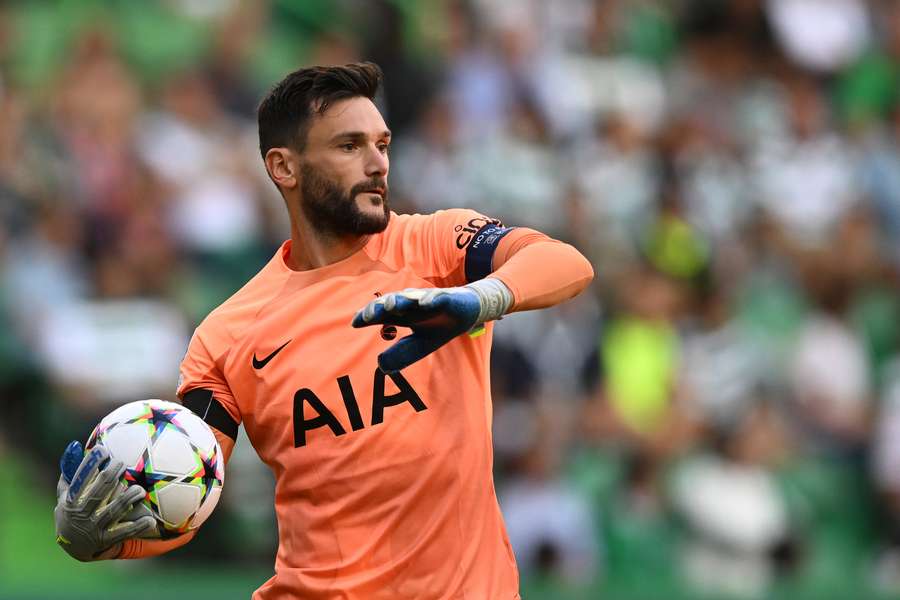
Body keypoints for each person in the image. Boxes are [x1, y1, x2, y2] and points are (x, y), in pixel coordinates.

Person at [53, 62, 594, 599]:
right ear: (283, 167)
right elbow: (184, 498)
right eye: (349, 146)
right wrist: (97, 538)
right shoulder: (228, 335)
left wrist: (479, 298)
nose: (377, 163)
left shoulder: (435, 247)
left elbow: (563, 262)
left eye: (382, 144)